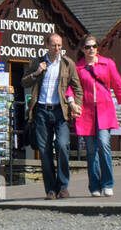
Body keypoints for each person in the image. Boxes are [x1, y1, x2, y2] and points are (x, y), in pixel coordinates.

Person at [22, 32, 82, 200]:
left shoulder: (67, 64)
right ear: (47, 45)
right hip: (41, 110)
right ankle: (51, 190)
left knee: (62, 146)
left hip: (60, 111)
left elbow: (77, 87)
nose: (57, 49)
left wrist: (76, 104)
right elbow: (24, 82)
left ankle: (63, 186)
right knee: (45, 150)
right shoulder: (37, 62)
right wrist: (37, 72)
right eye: (54, 45)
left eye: (59, 46)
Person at [74, 35, 121, 197]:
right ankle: (94, 186)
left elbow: (119, 87)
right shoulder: (78, 68)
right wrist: (72, 102)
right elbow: (72, 88)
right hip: (86, 114)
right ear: (82, 49)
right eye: (87, 47)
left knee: (104, 145)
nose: (91, 49)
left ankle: (107, 183)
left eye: (93, 46)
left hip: (105, 111)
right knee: (92, 150)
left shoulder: (108, 64)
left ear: (97, 48)